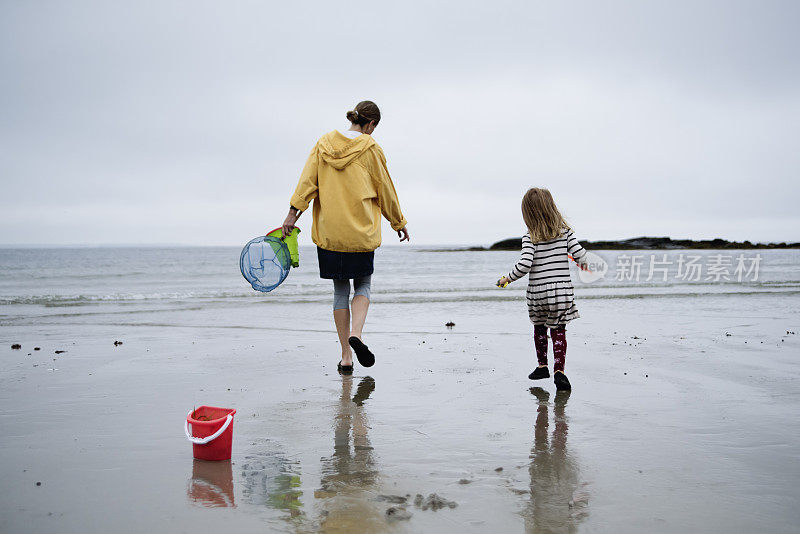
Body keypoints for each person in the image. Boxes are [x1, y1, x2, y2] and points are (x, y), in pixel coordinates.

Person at [282, 101, 410, 374]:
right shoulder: (371, 149)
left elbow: (307, 182)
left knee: (340, 291)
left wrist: (293, 215)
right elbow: (385, 188)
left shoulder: (323, 144)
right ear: (371, 124)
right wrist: (397, 221)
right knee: (363, 285)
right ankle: (358, 335)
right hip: (360, 233)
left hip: (330, 234)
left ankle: (346, 358)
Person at [497, 188, 588, 390]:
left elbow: (525, 264)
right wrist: (586, 264)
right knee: (558, 330)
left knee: (539, 327)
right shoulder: (565, 233)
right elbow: (580, 254)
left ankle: (542, 366)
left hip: (538, 293)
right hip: (561, 293)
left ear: (528, 213)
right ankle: (559, 371)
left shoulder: (530, 236)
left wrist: (507, 279)